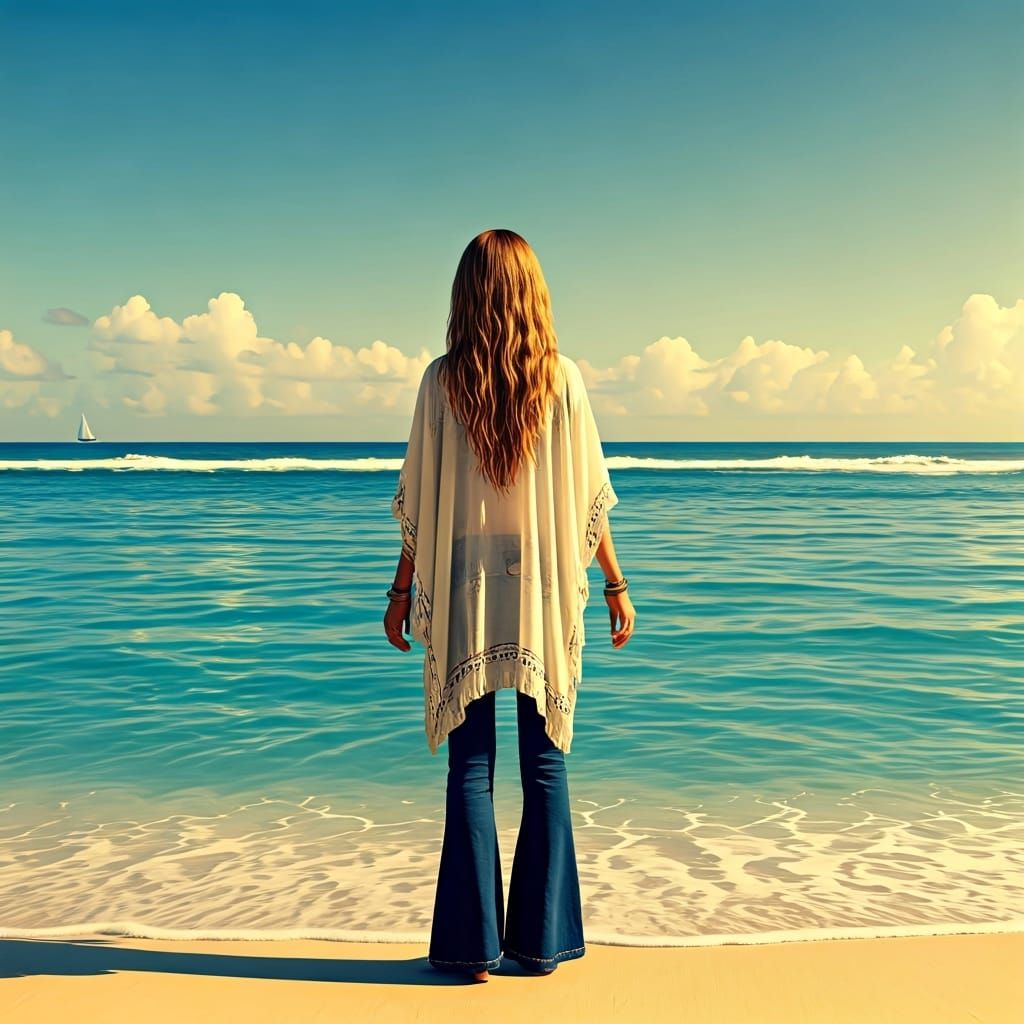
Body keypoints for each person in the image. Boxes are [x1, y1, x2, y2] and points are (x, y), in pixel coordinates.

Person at [383, 228, 635, 983]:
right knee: (546, 763)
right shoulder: (562, 380)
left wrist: (401, 591)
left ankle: (470, 949)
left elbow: (421, 506)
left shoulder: (440, 380)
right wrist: (616, 583)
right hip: (541, 582)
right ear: (534, 292)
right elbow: (590, 499)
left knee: (472, 762)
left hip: (463, 575)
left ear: (464, 293)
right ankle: (541, 943)